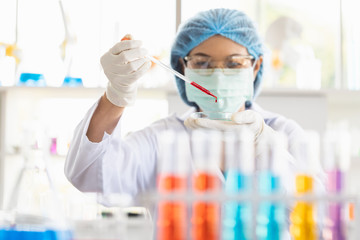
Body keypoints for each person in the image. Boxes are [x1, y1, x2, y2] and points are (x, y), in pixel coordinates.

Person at [64, 8, 313, 200]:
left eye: (234, 63)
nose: (217, 75)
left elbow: (317, 214)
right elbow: (88, 174)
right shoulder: (162, 139)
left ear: (255, 66)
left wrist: (266, 146)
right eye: (202, 63)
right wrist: (117, 94)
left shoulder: (284, 133)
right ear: (183, 67)